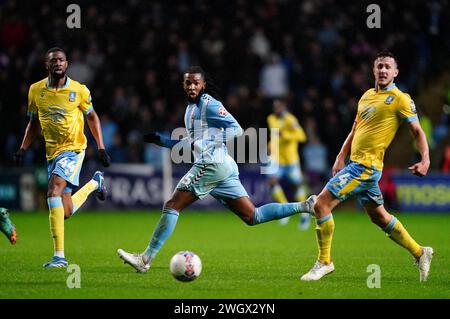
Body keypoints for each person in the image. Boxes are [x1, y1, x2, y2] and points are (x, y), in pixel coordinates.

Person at [117, 66, 316, 273]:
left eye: (196, 83)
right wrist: (163, 142)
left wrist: (211, 142)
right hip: (223, 167)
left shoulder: (209, 104)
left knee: (172, 205)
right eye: (188, 83)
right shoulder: (190, 109)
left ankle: (145, 259)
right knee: (252, 216)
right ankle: (305, 206)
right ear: (183, 85)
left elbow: (236, 129)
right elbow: (193, 143)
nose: (192, 86)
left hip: (211, 164)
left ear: (203, 85)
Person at [300, 51, 433, 282]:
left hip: (366, 166)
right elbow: (355, 130)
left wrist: (426, 159)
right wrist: (341, 155)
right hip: (356, 163)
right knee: (379, 217)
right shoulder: (366, 96)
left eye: (387, 67)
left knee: (320, 205)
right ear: (374, 70)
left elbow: (418, 131)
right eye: (379, 66)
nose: (383, 70)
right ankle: (421, 252)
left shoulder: (400, 99)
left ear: (395, 72)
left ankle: (324, 262)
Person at [14, 47, 111, 268]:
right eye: (53, 60)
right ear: (46, 65)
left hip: (74, 148)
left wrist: (101, 147)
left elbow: (93, 118)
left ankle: (59, 257)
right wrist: (23, 148)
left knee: (53, 190)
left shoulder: (79, 90)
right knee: (64, 211)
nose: (58, 63)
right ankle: (95, 183)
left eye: (61, 60)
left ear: (67, 64)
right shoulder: (35, 91)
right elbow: (34, 123)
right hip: (52, 153)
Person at [266, 98, 311, 230]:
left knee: (296, 186)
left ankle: (304, 214)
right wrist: (270, 145)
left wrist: (285, 134)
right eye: (275, 107)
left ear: (284, 107)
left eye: (279, 107)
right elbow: (275, 136)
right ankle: (285, 210)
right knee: (272, 181)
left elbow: (302, 136)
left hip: (291, 160)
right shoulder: (271, 119)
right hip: (277, 158)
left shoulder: (291, 119)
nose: (277, 109)